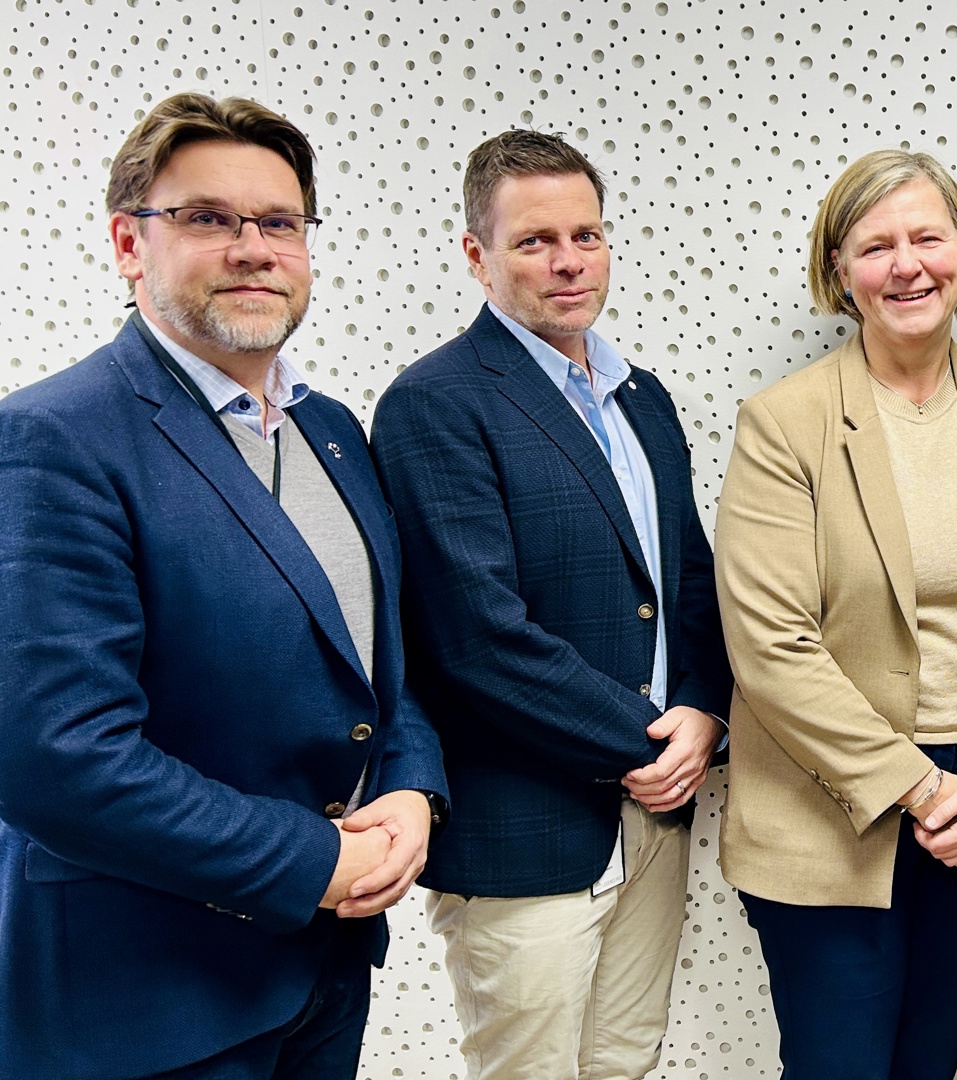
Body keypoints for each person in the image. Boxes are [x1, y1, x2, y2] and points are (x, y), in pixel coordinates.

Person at [0, 93, 448, 1080]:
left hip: (318, 976)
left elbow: (378, 661)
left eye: (278, 222)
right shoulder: (52, 438)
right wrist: (311, 861)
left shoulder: (329, 430)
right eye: (207, 218)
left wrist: (415, 788)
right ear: (129, 244)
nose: (253, 248)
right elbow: (51, 756)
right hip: (141, 999)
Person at [370, 129, 731, 1080]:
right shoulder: (435, 403)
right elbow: (475, 638)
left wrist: (704, 711)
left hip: (654, 817)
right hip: (523, 831)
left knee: (624, 1062)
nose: (568, 261)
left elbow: (688, 581)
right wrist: (649, 743)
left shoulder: (640, 397)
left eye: (587, 234)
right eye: (534, 241)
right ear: (476, 256)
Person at [713, 148, 957, 1080]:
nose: (906, 264)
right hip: (829, 812)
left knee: (928, 1063)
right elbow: (770, 647)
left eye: (926, 237)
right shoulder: (784, 423)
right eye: (875, 246)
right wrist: (920, 787)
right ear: (841, 271)